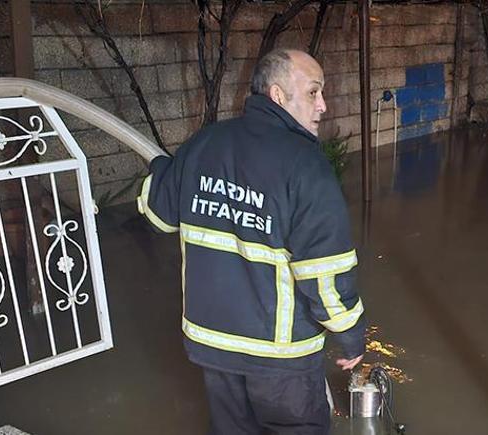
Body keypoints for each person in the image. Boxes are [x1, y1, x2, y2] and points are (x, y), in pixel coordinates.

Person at [136, 48, 365, 434]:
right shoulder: (306, 166)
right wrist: (351, 336)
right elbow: (324, 275)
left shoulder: (204, 143)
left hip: (214, 348)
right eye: (313, 92)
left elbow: (157, 214)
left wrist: (164, 170)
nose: (323, 105)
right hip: (280, 357)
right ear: (277, 95)